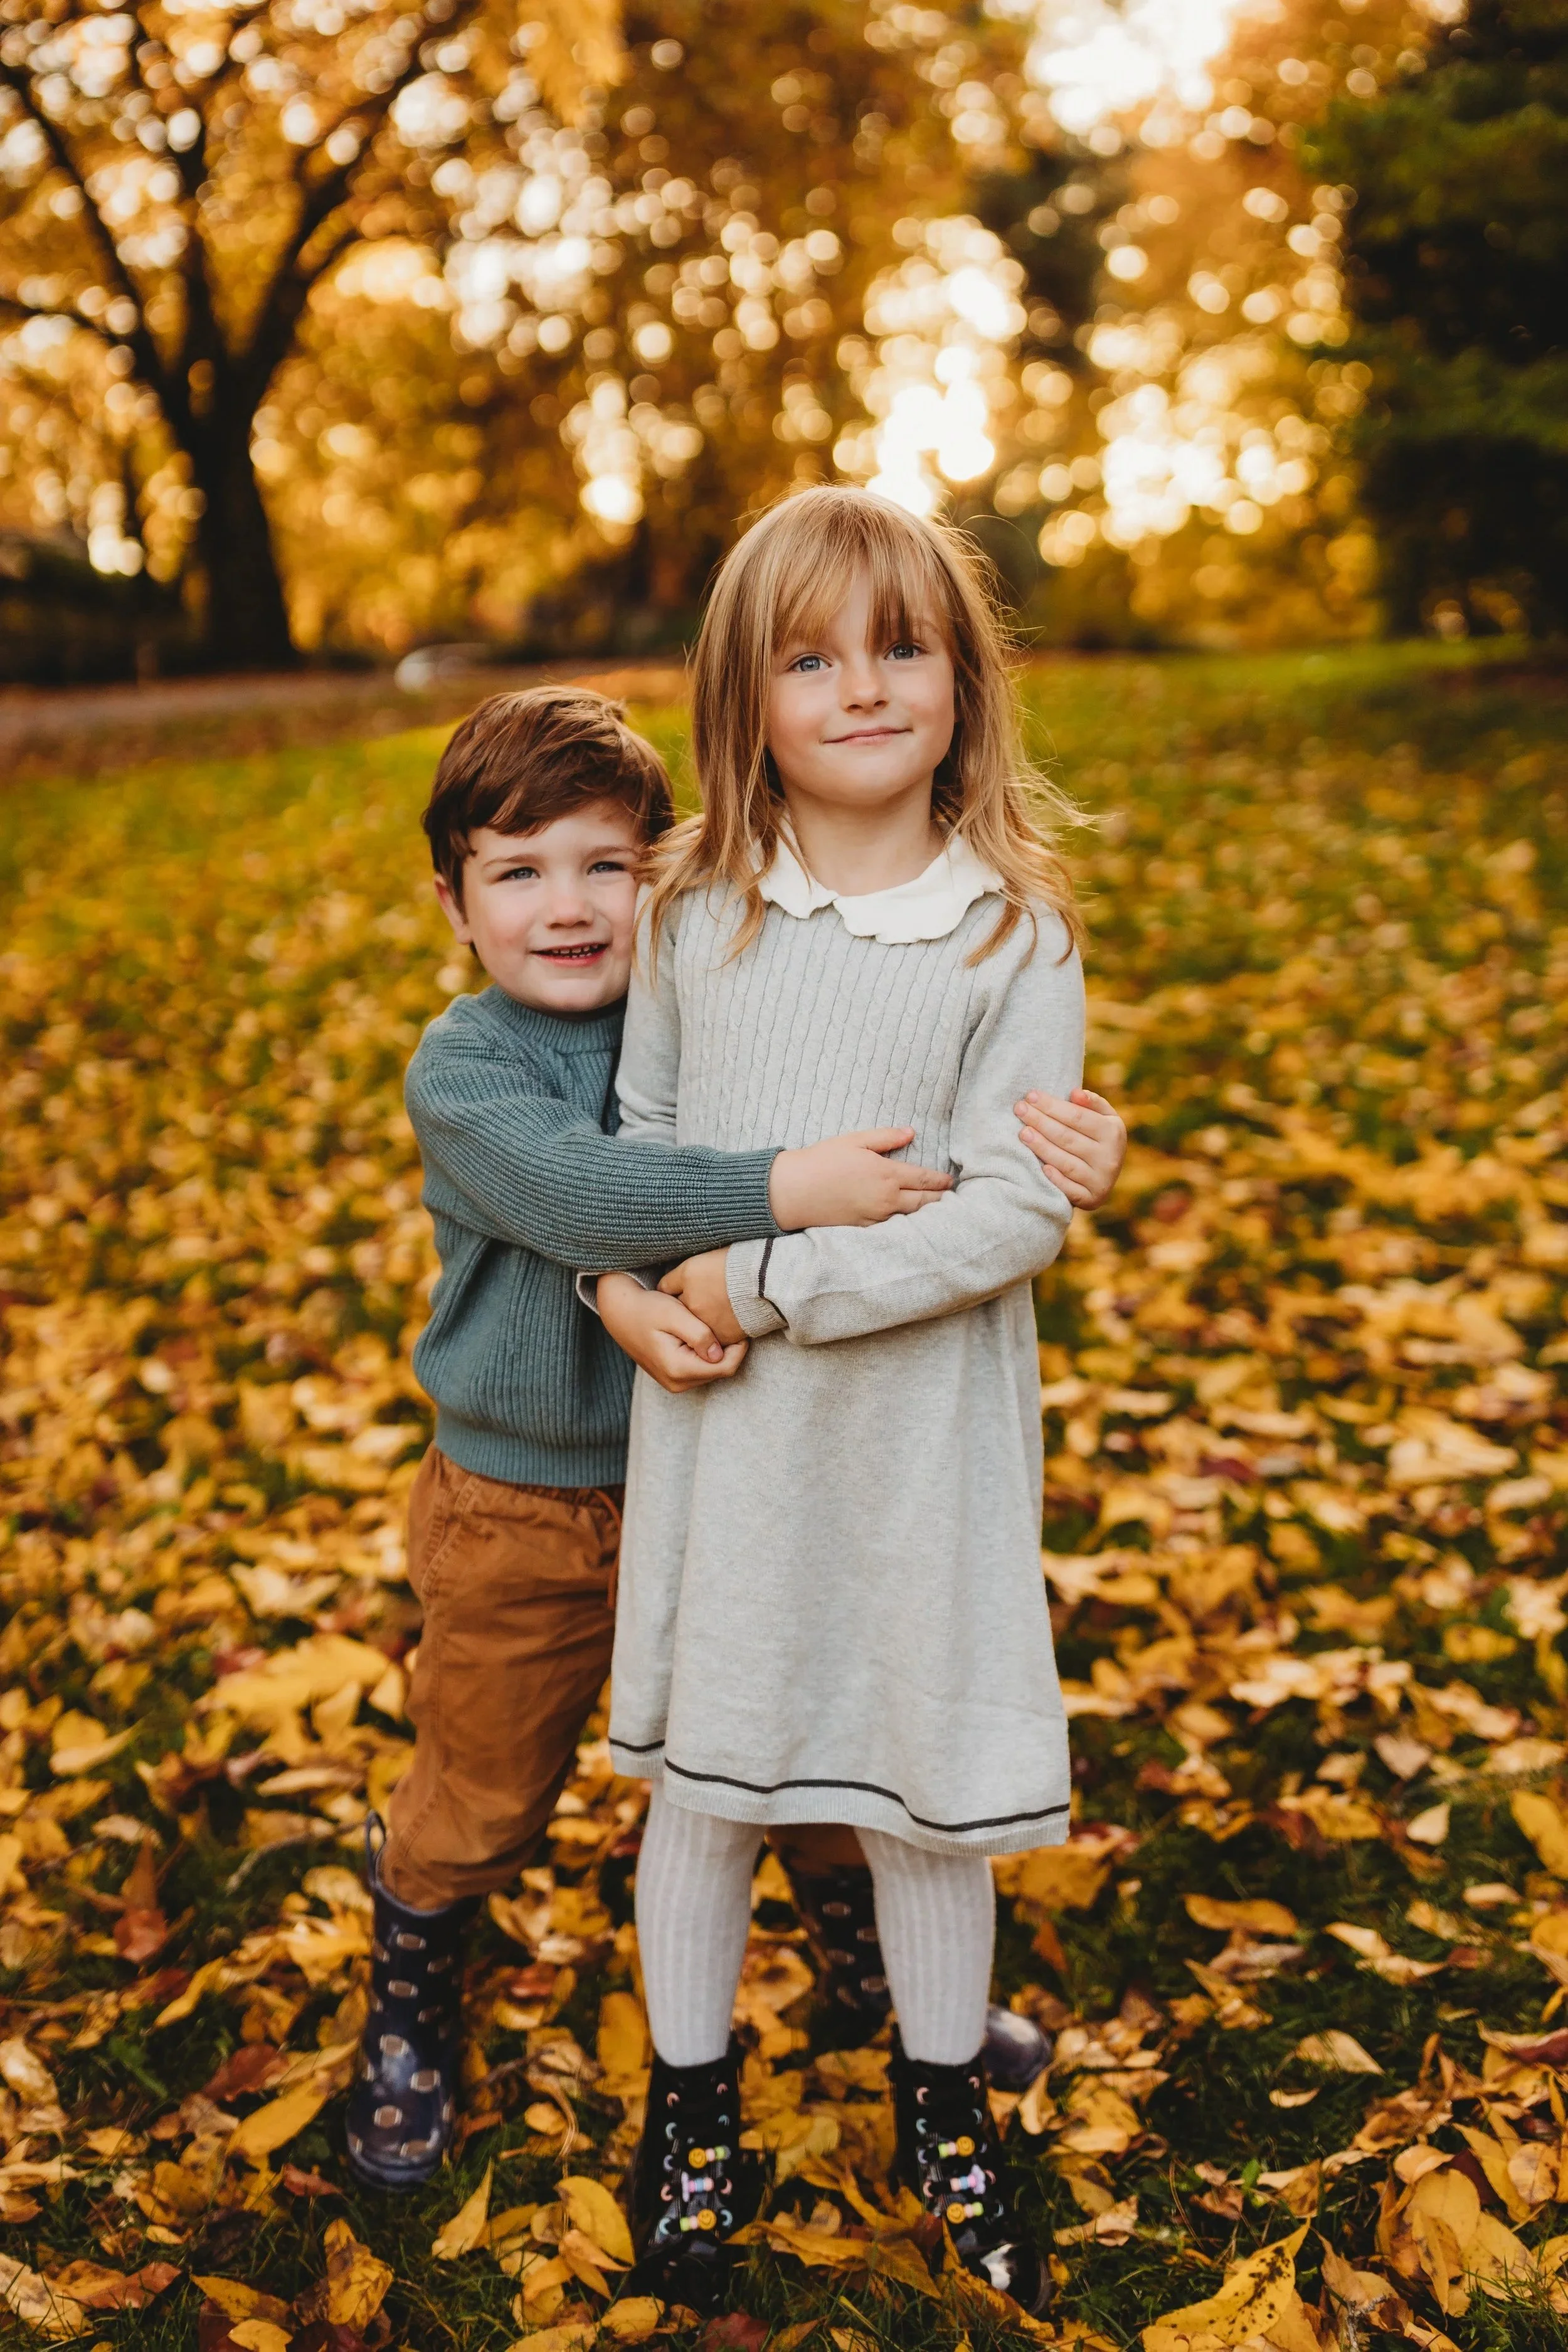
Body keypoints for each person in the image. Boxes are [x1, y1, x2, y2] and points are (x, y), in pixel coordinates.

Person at [346, 683, 1125, 2192]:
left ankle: (875, 1982)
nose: (568, 909)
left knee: (815, 1720)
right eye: (516, 873)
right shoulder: (470, 1068)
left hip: (723, 1470)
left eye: (604, 867)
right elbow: (589, 1197)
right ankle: (410, 2007)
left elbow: (893, 1078)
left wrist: (1074, 1134)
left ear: (671, 869)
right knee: (484, 1790)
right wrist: (787, 1196)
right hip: (526, 1504)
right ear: (450, 903)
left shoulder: (705, 973)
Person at [596, 487, 1086, 2314]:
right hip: (726, 1438)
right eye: (809, 656)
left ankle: (948, 2107)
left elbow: (1010, 1211)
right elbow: (633, 1154)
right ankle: (689, 2107)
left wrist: (774, 1278)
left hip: (919, 1451)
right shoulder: (689, 910)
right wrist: (631, 1290)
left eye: (901, 645)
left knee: (921, 1791)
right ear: (745, 698)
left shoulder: (1010, 936)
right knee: (708, 1786)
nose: (863, 686)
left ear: (963, 675)